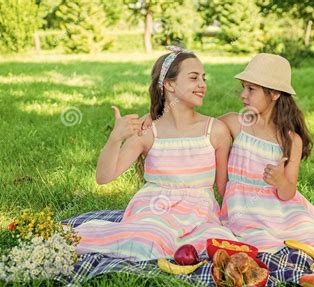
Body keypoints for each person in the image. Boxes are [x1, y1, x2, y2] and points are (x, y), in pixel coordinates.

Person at [72, 46, 237, 261]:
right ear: (169, 84)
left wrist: (235, 218)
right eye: (194, 78)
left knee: (218, 244)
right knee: (148, 241)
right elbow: (104, 177)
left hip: (199, 213)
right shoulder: (148, 132)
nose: (202, 84)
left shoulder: (215, 131)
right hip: (155, 210)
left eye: (203, 78)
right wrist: (115, 138)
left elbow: (224, 186)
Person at [219, 53, 314, 254]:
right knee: (257, 240)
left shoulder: (291, 141)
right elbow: (196, 127)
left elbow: (288, 192)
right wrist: (156, 118)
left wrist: (280, 180)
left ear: (274, 94)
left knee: (304, 233)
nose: (243, 95)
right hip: (244, 210)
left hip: (280, 209)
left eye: (251, 89)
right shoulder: (235, 123)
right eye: (243, 88)